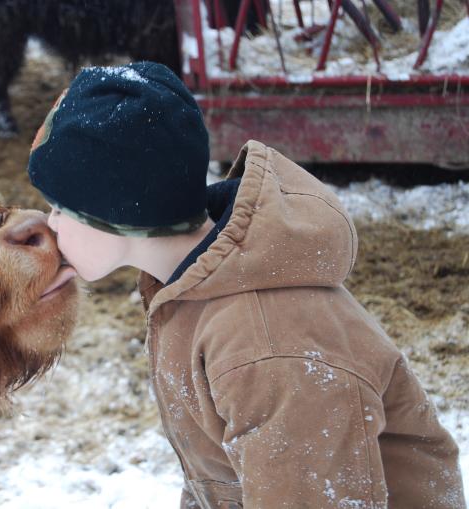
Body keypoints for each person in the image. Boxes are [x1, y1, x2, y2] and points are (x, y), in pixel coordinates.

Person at [26, 61, 466, 508]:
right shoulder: (190, 289)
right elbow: (221, 476)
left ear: (117, 210)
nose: (49, 224)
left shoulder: (267, 347)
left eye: (60, 207)